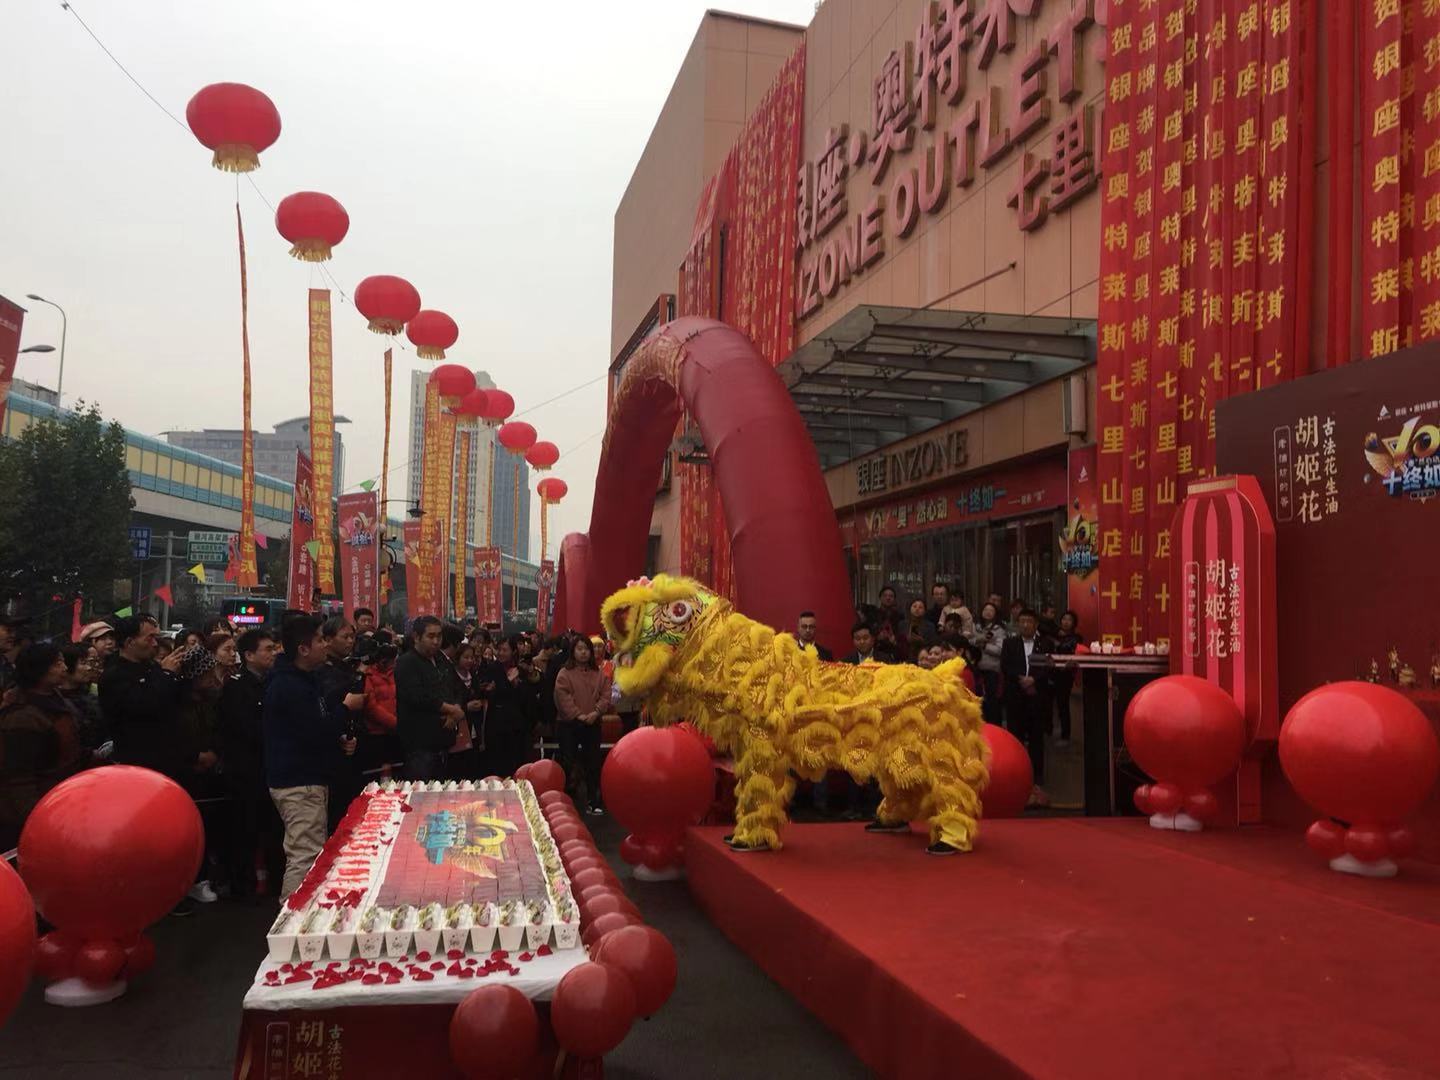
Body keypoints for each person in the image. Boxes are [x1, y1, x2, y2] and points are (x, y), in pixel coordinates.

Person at [264, 614, 356, 897]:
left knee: (311, 849)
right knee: (305, 855)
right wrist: (346, 708)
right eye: (319, 640)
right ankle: (293, 919)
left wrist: (338, 737)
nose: (324, 645)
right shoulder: (289, 686)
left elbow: (315, 724)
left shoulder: (305, 679)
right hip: (297, 781)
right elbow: (315, 729)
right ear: (303, 649)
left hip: (309, 776)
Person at [0, 643, 103, 849]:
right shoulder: (22, 717)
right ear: (39, 670)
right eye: (57, 663)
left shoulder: (58, 701)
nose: (65, 668)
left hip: (60, 802)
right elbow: (19, 779)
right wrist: (38, 820)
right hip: (31, 816)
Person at [219, 628, 283, 900]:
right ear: (248, 655)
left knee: (273, 830)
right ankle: (242, 887)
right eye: (267, 649)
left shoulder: (273, 681)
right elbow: (246, 728)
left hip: (270, 769)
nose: (273, 653)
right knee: (245, 830)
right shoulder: (236, 686)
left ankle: (274, 883)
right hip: (245, 770)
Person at [100, 615, 186, 776]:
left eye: (156, 638)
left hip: (168, 760)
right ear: (129, 642)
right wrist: (166, 674)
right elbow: (145, 705)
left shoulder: (152, 666)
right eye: (149, 638)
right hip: (136, 765)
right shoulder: (114, 675)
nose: (155, 644)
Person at [175, 644, 226, 903]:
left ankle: (206, 876)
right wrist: (194, 757)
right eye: (206, 673)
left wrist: (214, 753)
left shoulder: (213, 700)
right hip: (186, 772)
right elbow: (173, 738)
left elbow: (220, 729)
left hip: (210, 769)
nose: (212, 678)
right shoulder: (175, 701)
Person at [394, 616, 462, 781]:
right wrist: (450, 709)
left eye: (439, 636)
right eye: (431, 636)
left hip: (444, 742)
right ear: (417, 637)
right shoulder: (407, 662)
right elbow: (417, 696)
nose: (436, 641)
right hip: (420, 745)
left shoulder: (441, 660)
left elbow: (458, 687)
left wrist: (456, 710)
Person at [1001, 608, 1054, 808]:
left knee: (1036, 738)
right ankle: (1016, 776)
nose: (1025, 625)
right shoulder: (1010, 643)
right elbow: (1005, 666)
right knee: (1015, 737)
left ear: (1036, 624)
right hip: (1015, 695)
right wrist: (1021, 679)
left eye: (1029, 621)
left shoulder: (1045, 644)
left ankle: (1037, 780)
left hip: (1038, 697)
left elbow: (1048, 667)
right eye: (1022, 621)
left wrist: (1034, 679)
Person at [554, 637, 612, 815]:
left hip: (592, 723)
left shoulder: (599, 673)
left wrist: (595, 712)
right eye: (579, 649)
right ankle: (566, 802)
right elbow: (562, 697)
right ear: (573, 651)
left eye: (586, 649)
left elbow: (606, 694)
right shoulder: (564, 673)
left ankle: (593, 801)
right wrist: (578, 715)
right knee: (568, 762)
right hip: (569, 725)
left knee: (593, 763)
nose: (584, 652)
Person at [477, 637, 540, 779]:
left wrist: (518, 685)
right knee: (497, 764)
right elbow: (483, 690)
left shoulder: (522, 669)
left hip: (517, 725)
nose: (501, 653)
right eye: (499, 650)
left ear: (513, 651)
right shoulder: (491, 668)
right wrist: (491, 689)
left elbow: (530, 695)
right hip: (496, 724)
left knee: (516, 766)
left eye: (505, 650)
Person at [448, 642, 488, 778]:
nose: (470, 661)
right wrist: (466, 707)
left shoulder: (473, 677)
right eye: (466, 657)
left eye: (472, 658)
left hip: (474, 728)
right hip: (457, 729)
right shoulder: (450, 677)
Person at [969, 602, 1007, 726]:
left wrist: (985, 646)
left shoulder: (999, 630)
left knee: (993, 703)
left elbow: (1000, 650)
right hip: (976, 670)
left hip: (992, 670)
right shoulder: (975, 627)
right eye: (985, 609)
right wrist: (979, 640)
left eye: (991, 610)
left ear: (995, 614)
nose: (988, 612)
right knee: (978, 702)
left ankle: (995, 728)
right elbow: (969, 642)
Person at [1051, 610, 1081, 747]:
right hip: (1051, 673)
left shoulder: (1076, 638)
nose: (1066, 622)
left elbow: (1070, 650)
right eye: (1063, 619)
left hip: (1066, 675)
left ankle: (1065, 735)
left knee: (1063, 704)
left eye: (1069, 620)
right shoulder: (1054, 635)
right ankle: (1050, 729)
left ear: (1074, 623)